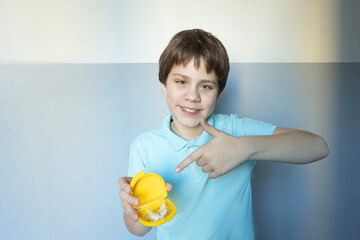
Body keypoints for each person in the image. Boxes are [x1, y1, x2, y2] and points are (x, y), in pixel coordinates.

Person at [118, 29, 329, 239]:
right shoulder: (144, 146)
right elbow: (138, 230)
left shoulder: (234, 130)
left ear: (219, 94)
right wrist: (133, 210)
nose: (192, 96)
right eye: (181, 82)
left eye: (206, 86)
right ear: (164, 84)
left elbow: (318, 146)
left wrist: (244, 148)